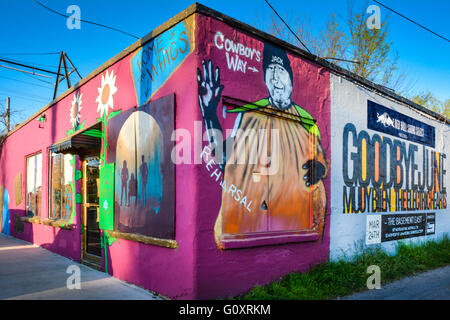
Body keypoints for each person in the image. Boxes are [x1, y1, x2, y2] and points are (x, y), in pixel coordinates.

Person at [197, 42, 329, 246]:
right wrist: (209, 114)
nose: (275, 77)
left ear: (291, 80)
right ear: (265, 79)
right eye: (270, 70)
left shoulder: (306, 121)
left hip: (298, 225)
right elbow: (225, 161)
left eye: (280, 70)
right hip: (252, 226)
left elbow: (321, 162)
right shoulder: (250, 117)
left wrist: (318, 168)